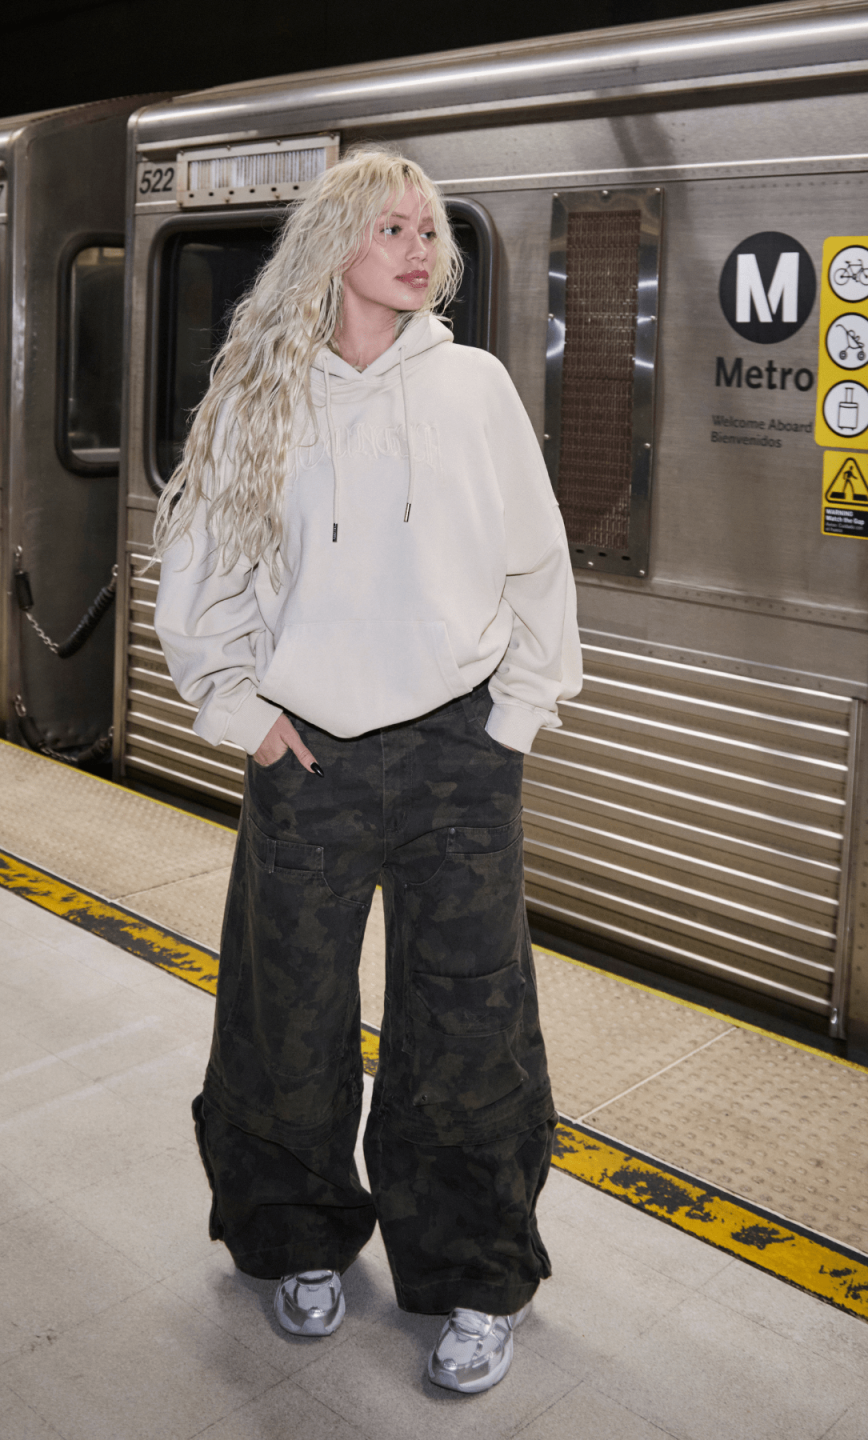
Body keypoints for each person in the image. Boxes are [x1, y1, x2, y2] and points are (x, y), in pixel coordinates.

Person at [153, 148, 582, 1394]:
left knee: (469, 1022)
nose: (417, 247)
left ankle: (473, 1273)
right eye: (390, 226)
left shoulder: (474, 388)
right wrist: (239, 711)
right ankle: (295, 1238)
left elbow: (537, 560)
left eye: (428, 230)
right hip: (309, 752)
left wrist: (514, 720)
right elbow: (203, 568)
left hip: (459, 752)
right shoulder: (262, 394)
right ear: (333, 243)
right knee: (284, 1013)